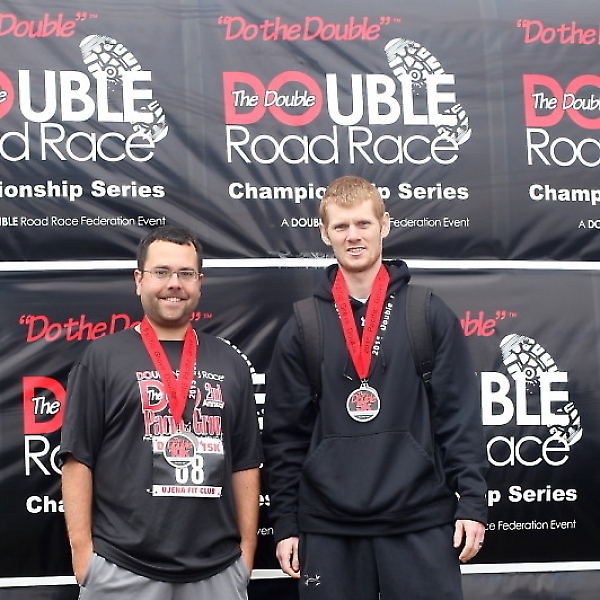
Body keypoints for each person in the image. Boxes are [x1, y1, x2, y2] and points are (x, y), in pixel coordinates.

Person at [262, 176, 488, 599]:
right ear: (325, 233)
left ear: (384, 225)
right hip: (328, 528)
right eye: (342, 226)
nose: (353, 236)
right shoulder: (304, 325)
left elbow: (459, 419)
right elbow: (284, 437)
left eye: (363, 223)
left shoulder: (426, 313)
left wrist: (473, 503)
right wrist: (286, 523)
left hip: (420, 520)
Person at [60, 225, 262, 600]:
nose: (174, 283)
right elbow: (77, 458)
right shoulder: (102, 358)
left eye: (186, 273)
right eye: (161, 272)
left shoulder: (230, 361)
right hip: (121, 569)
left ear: (199, 283)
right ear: (139, 280)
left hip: (217, 572)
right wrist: (83, 556)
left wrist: (246, 554)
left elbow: (246, 462)